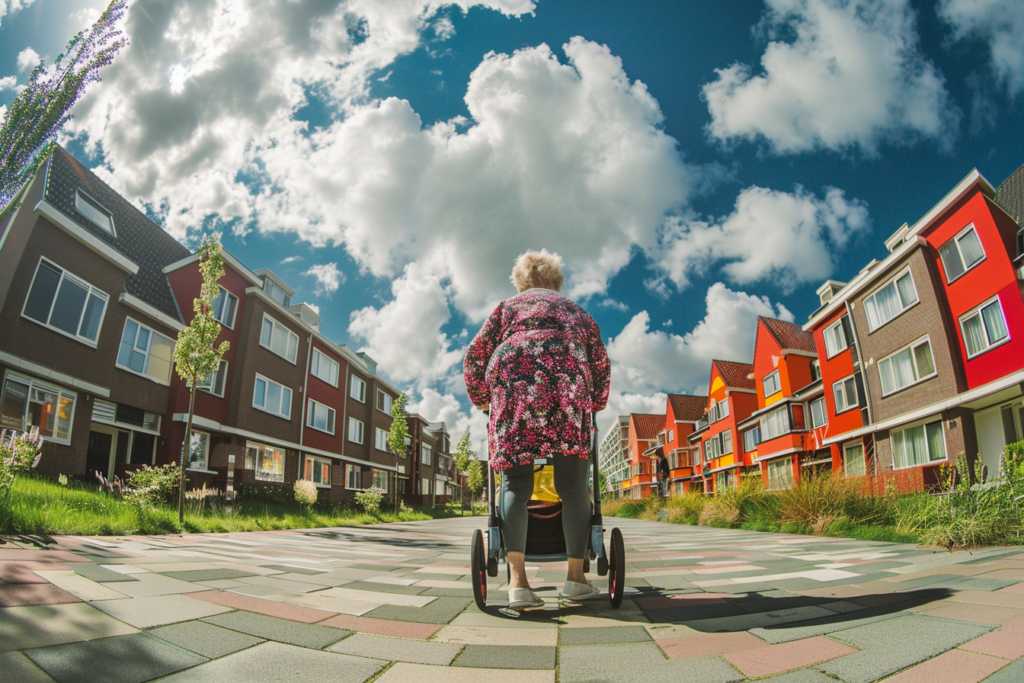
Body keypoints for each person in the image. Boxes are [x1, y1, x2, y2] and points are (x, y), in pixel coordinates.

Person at [464, 249, 610, 610]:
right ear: (556, 282)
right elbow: (600, 365)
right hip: (567, 392)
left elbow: (474, 358)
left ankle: (518, 584)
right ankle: (576, 580)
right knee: (574, 485)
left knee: (515, 483)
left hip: (515, 395)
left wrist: (484, 399)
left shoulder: (505, 310)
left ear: (520, 282)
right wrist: (594, 403)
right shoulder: (577, 313)